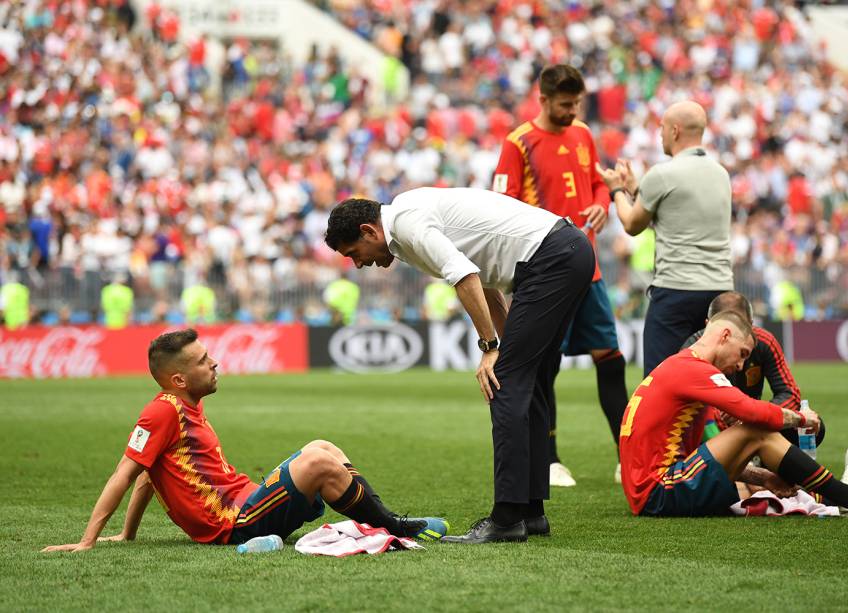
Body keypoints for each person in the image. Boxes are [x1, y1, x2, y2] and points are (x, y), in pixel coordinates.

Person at [325, 188, 594, 543]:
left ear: (369, 231)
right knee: (530, 383)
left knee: (504, 384)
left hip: (550, 259)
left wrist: (490, 347)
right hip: (563, 252)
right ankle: (530, 513)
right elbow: (485, 284)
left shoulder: (406, 223)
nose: (359, 264)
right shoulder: (407, 218)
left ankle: (507, 519)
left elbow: (464, 276)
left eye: (354, 254)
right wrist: (505, 342)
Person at [42, 329, 447, 552]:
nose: (214, 363)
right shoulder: (163, 410)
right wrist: (87, 541)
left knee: (320, 447)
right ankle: (397, 527)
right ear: (179, 379)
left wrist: (129, 535)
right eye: (203, 361)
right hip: (235, 525)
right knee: (317, 463)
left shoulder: (185, 408)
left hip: (248, 507)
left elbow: (151, 476)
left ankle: (382, 523)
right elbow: (126, 474)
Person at [619, 310, 848, 517]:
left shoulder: (678, 366)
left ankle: (840, 497)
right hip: (660, 491)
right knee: (754, 428)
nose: (742, 365)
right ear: (724, 336)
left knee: (752, 433)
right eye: (743, 353)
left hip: (655, 489)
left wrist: (763, 478)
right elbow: (750, 411)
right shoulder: (693, 369)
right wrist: (801, 418)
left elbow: (698, 455)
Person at [492, 64, 628, 488]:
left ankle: (628, 456)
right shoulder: (518, 143)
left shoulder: (584, 133)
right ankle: (549, 458)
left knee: (610, 356)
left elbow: (597, 184)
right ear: (544, 100)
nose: (572, 111)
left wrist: (603, 203)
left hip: (587, 268)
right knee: (543, 362)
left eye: (577, 104)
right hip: (544, 272)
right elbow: (500, 207)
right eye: (566, 105)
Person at [597, 100, 733, 377]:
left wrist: (617, 191)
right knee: (711, 385)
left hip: (676, 291)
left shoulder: (662, 174)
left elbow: (633, 225)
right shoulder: (721, 175)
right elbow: (674, 221)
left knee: (661, 382)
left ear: (675, 130)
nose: (659, 134)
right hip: (719, 291)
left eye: (661, 128)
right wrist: (638, 189)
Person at [682, 291, 827, 450]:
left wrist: (759, 416)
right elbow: (688, 411)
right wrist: (721, 417)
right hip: (715, 428)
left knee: (812, 427)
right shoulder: (692, 352)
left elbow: (790, 393)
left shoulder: (765, 342)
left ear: (751, 324)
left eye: (742, 328)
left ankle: (758, 461)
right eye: (727, 331)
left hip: (754, 419)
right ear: (709, 325)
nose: (734, 337)